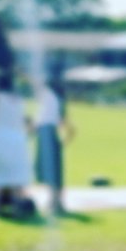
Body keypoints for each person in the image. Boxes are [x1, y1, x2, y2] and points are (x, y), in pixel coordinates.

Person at [32, 77, 74, 216]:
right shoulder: (57, 100)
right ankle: (56, 202)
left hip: (47, 134)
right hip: (50, 134)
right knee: (54, 171)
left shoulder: (49, 96)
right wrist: (63, 142)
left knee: (50, 170)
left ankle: (55, 202)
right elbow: (69, 128)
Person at [0, 69, 33, 217]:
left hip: (0, 138)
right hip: (18, 140)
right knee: (17, 180)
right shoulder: (18, 100)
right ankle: (19, 209)